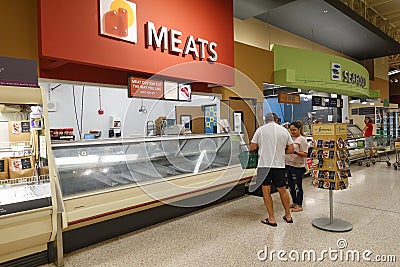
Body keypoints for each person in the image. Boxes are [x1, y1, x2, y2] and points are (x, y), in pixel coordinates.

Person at [249, 113, 294, 227]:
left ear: (265, 120)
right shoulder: (284, 131)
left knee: (266, 191)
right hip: (279, 165)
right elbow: (291, 150)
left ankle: (272, 218)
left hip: (264, 165)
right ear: (277, 120)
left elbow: (252, 147)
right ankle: (288, 215)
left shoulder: (260, 130)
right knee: (282, 190)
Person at [285, 121, 308, 212]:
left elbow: (305, 154)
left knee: (297, 186)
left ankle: (299, 204)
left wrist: (294, 152)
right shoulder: (289, 139)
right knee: (290, 186)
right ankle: (294, 202)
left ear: (299, 129)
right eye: (291, 130)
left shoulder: (302, 140)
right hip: (288, 164)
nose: (292, 132)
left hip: (298, 166)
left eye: (294, 130)